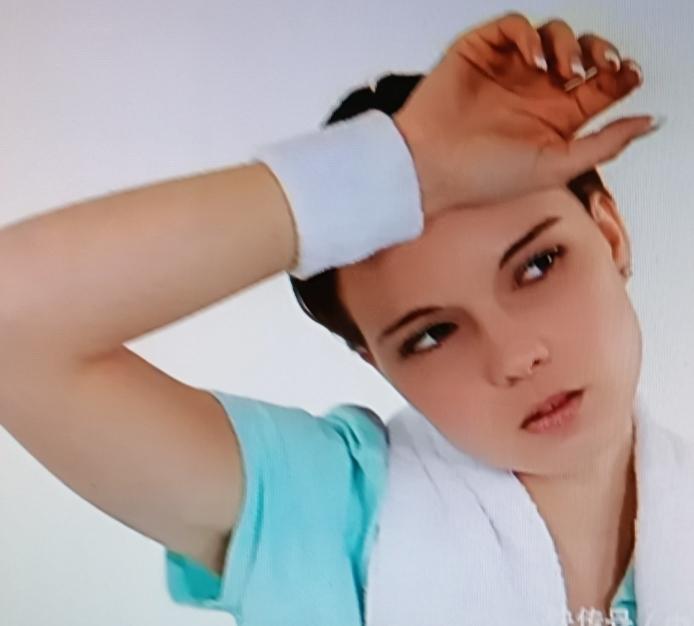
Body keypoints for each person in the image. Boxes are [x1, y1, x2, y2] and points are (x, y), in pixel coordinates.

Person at [0, 11, 663, 626]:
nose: (514, 356)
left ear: (610, 235)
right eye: (431, 334)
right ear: (377, 360)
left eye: (539, 265)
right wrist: (398, 170)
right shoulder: (326, 511)